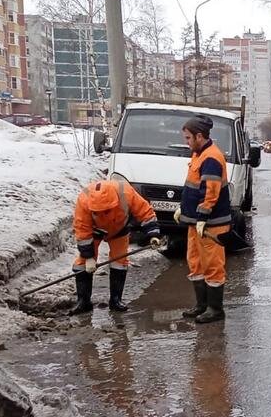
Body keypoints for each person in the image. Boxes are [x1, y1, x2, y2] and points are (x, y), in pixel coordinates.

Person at [70, 179, 161, 315]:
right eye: (98, 212)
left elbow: (145, 212)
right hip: (94, 231)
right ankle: (83, 301)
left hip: (119, 229)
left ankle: (115, 300)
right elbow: (82, 229)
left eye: (106, 210)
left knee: (119, 262)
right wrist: (88, 257)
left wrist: (153, 234)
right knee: (82, 264)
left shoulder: (126, 192)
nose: (103, 214)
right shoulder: (84, 200)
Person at [173, 114, 230, 323]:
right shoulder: (199, 154)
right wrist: (183, 209)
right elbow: (193, 187)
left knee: (212, 264)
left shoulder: (212, 157)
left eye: (188, 138)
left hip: (210, 224)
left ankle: (215, 309)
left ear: (199, 136)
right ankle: (202, 305)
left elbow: (210, 192)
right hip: (195, 222)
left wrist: (203, 216)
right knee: (195, 262)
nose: (186, 142)